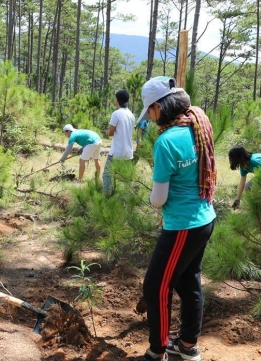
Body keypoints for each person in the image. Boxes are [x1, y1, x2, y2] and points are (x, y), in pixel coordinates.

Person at [138, 76, 217, 361]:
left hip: (182, 225)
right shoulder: (197, 125)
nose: (149, 116)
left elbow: (158, 199)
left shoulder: (166, 141)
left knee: (155, 286)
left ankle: (158, 351)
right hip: (205, 217)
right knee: (188, 281)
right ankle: (187, 347)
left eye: (150, 110)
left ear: (160, 108)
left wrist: (149, 199)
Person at [103, 89, 135, 193]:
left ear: (117, 100)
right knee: (127, 179)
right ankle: (127, 199)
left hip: (116, 152)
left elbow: (111, 132)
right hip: (128, 152)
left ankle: (107, 197)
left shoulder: (116, 114)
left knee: (107, 175)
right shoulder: (131, 115)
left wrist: (107, 131)